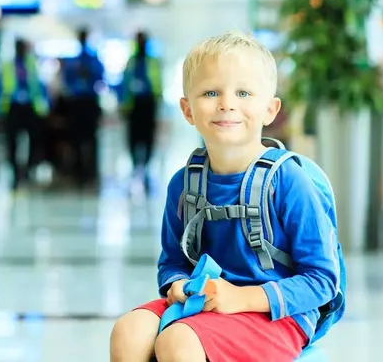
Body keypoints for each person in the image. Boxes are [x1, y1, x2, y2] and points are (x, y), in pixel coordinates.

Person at [109, 31, 340, 362]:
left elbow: (322, 281)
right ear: (188, 110)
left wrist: (243, 298)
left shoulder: (289, 181)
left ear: (270, 109)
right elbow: (173, 261)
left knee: (178, 342)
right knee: (128, 332)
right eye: (210, 92)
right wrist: (177, 285)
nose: (227, 103)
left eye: (243, 92)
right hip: (205, 306)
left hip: (279, 315)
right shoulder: (184, 184)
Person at [0, 38, 49, 188]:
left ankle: (28, 169)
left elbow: (40, 87)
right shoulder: (8, 66)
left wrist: (45, 107)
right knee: (12, 141)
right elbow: (0, 88)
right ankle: (15, 171)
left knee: (33, 140)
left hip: (30, 107)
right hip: (12, 107)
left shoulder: (32, 66)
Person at [62, 28, 105, 186]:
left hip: (89, 101)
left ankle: (91, 172)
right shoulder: (73, 61)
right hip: (76, 102)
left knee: (91, 139)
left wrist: (89, 73)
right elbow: (67, 80)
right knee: (76, 139)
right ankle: (78, 172)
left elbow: (101, 78)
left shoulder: (92, 60)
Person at [120, 31, 162, 184]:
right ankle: (135, 162)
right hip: (133, 104)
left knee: (148, 135)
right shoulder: (131, 62)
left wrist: (157, 100)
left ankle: (146, 163)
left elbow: (157, 83)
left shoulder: (152, 61)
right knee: (133, 135)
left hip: (148, 103)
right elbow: (125, 83)